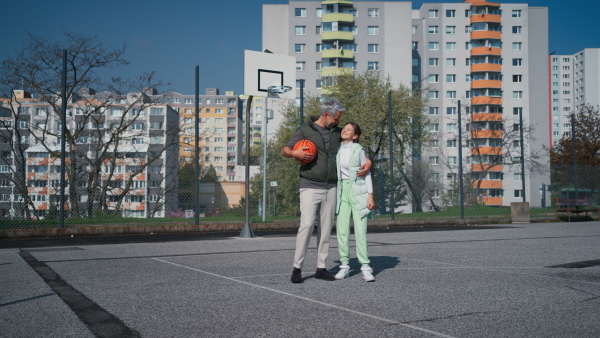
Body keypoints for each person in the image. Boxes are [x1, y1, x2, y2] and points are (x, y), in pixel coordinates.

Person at [281, 99, 370, 283]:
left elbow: (353, 149)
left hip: (331, 187)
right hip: (309, 185)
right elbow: (285, 150)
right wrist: (295, 154)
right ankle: (297, 268)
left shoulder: (337, 132)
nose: (339, 122)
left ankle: (321, 268)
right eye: (337, 118)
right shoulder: (305, 130)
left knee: (325, 229)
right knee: (306, 226)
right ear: (327, 114)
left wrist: (368, 161)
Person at [334, 122, 376, 282]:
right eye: (344, 128)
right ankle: (344, 266)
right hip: (342, 191)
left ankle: (365, 266)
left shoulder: (358, 150)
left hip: (358, 192)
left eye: (349, 129)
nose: (345, 130)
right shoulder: (336, 149)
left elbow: (366, 174)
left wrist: (370, 196)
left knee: (360, 231)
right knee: (342, 231)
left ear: (355, 135)